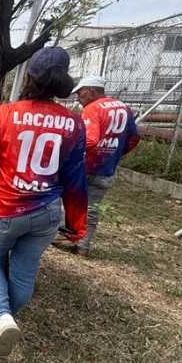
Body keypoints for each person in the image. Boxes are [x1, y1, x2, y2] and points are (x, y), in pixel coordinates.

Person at [0, 47, 88, 356]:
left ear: (29, 76)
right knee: (24, 269)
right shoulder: (75, 124)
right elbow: (75, 179)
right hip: (46, 214)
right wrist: (78, 224)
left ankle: (1, 315)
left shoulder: (4, 114)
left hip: (3, 211)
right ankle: (6, 318)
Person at [55, 75, 140, 255]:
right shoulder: (124, 108)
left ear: (91, 91)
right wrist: (116, 153)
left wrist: (67, 152)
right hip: (106, 169)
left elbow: (91, 139)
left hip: (85, 166)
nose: (77, 97)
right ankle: (82, 246)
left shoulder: (93, 109)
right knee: (92, 207)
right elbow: (134, 138)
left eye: (80, 93)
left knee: (64, 199)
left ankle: (62, 236)